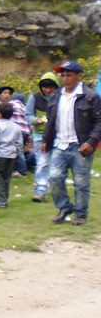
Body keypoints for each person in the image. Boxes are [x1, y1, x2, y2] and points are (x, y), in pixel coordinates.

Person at [42, 59, 101, 226]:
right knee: (54, 178)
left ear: (79, 76)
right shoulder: (56, 96)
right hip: (60, 144)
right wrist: (46, 140)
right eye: (63, 75)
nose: (65, 78)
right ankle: (64, 207)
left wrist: (91, 141)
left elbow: (99, 122)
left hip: (80, 146)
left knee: (81, 182)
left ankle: (81, 214)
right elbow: (50, 120)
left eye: (69, 75)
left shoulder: (91, 97)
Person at [27, 72, 60, 202]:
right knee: (42, 163)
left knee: (57, 163)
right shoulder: (34, 97)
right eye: (45, 87)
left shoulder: (59, 98)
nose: (48, 90)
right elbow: (27, 115)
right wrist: (36, 120)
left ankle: (56, 189)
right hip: (39, 135)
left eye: (51, 87)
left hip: (57, 135)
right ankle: (40, 190)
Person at [0, 86, 31, 175]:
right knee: (19, 150)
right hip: (25, 130)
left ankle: (21, 170)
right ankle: (19, 169)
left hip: (15, 130)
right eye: (5, 93)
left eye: (9, 93)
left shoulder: (8, 105)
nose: (7, 95)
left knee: (17, 152)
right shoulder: (23, 106)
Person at [0, 103, 22, 209]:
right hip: (12, 155)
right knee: (6, 177)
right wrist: (17, 152)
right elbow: (19, 143)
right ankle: (5, 198)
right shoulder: (16, 127)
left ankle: (0, 201)